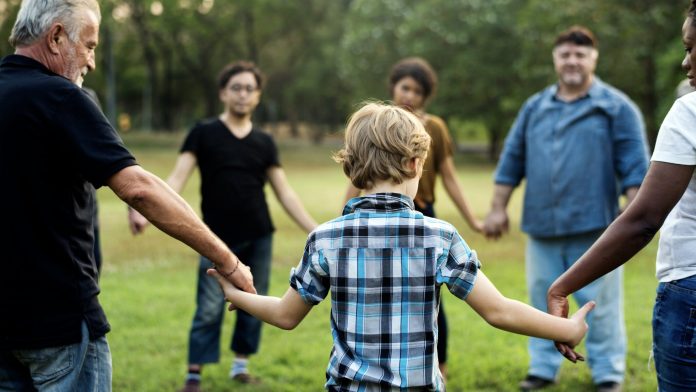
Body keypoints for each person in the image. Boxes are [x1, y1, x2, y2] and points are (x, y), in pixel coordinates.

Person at [208, 102, 595, 391]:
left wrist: (235, 294)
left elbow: (284, 315)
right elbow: (499, 311)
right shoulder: (439, 237)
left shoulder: (325, 239)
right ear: (414, 165)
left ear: (351, 168)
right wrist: (565, 328)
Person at [0, 1, 254, 391]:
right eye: (90, 45)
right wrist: (229, 261)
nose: (92, 62)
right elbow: (138, 189)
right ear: (55, 37)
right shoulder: (61, 97)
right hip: (58, 327)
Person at [127, 61, 317, 391]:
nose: (243, 95)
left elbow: (284, 192)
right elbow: (176, 178)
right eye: (236, 88)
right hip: (213, 238)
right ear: (223, 93)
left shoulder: (264, 142)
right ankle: (194, 373)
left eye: (249, 89)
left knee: (252, 301)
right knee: (209, 307)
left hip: (259, 233)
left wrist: (314, 230)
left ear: (258, 96)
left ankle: (240, 366)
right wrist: (146, 211)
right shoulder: (202, 133)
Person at [483, 26, 650, 392]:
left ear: (594, 58)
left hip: (596, 231)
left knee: (599, 306)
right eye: (565, 54)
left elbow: (636, 168)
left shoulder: (616, 107)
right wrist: (498, 207)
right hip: (541, 227)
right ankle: (542, 369)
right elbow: (512, 159)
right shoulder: (535, 107)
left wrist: (633, 211)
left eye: (580, 54)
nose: (572, 60)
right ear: (555, 59)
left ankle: (608, 373)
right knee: (540, 302)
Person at [547, 2, 696, 390]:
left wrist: (562, 287)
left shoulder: (690, 111)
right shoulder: (538, 106)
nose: (685, 62)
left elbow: (644, 220)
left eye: (691, 47)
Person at [343, 57, 483, 380]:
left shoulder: (432, 128)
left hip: (421, 214)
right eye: (405, 87)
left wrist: (472, 219)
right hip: (375, 213)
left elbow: (449, 177)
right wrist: (344, 215)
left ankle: (438, 365)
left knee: (431, 299)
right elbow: (356, 177)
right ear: (393, 86)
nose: (410, 95)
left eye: (418, 91)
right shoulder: (375, 126)